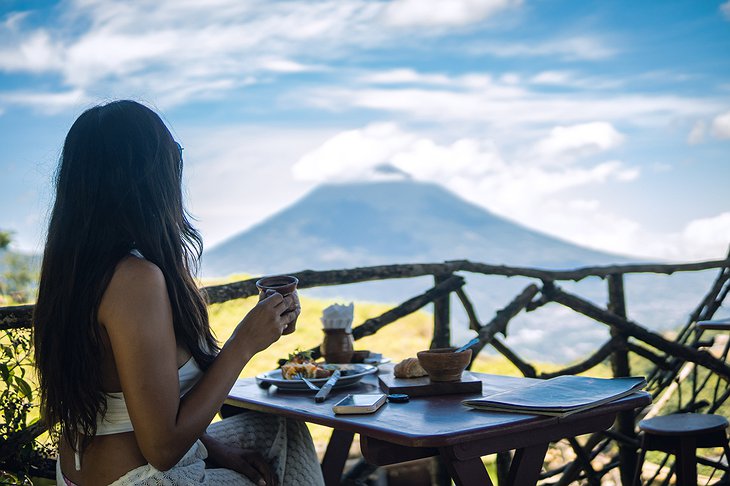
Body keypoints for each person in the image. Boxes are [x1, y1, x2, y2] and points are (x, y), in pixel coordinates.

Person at [33, 100, 325, 486]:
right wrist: (244, 342)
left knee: (283, 431)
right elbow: (164, 448)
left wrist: (220, 451)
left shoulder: (78, 272)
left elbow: (147, 405)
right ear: (146, 180)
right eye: (173, 159)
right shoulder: (135, 279)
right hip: (144, 479)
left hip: (87, 474)